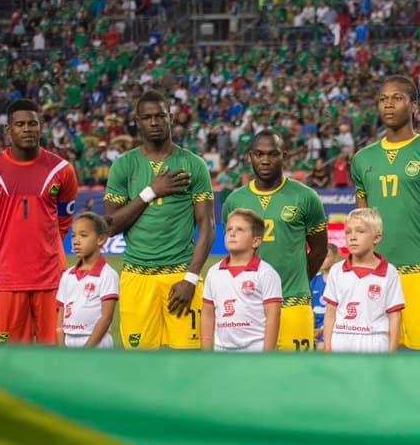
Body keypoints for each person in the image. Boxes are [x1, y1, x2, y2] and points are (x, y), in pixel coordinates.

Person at [351, 75, 420, 349]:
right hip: (376, 275)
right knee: (376, 364)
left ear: (414, 106)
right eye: (383, 99)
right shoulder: (362, 159)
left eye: (397, 98)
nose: (388, 105)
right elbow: (360, 227)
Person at [103, 90, 215, 349]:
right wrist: (151, 191)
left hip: (180, 276)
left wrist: (190, 278)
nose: (154, 122)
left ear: (171, 118)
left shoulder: (193, 164)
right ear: (137, 121)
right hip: (137, 277)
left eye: (160, 116)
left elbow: (207, 227)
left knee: (187, 361)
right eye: (147, 117)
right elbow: (109, 226)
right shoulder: (124, 165)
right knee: (140, 365)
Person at [0, 97, 78, 344]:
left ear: (41, 126)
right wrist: (8, 255)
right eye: (20, 124)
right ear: (9, 129)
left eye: (33, 123)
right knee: (10, 359)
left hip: (51, 280)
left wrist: (43, 250)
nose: (27, 129)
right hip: (8, 280)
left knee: (51, 356)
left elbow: (63, 221)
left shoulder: (62, 170)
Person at [223, 130, 328, 351]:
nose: (265, 160)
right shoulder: (235, 201)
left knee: (297, 377)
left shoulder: (306, 197)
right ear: (250, 156)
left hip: (293, 305)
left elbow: (319, 250)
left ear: (284, 156)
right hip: (247, 306)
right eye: (259, 154)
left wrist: (297, 281)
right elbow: (233, 251)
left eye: (273, 154)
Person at [322, 208, 404, 353]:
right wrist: (328, 349)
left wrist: (392, 352)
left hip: (375, 340)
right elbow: (330, 313)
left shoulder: (389, 272)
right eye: (348, 232)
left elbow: (395, 315)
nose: (352, 237)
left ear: (376, 238)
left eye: (360, 231)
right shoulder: (337, 270)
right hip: (341, 339)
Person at [200, 208, 282, 352]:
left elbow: (273, 316)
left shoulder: (266, 273)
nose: (232, 233)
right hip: (222, 351)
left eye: (240, 230)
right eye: (229, 229)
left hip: (255, 351)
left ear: (256, 241)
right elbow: (207, 312)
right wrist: (206, 349)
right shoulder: (213, 272)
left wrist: (267, 355)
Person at [54, 212, 118, 348]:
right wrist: (61, 347)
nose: (76, 241)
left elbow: (106, 318)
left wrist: (86, 350)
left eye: (83, 235)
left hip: (96, 344)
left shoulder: (107, 274)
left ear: (100, 239)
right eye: (73, 235)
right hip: (69, 341)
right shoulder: (68, 275)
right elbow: (61, 311)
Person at [311, 243, 341, 348]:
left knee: (321, 346)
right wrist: (311, 330)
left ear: (336, 258)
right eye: (321, 256)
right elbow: (310, 309)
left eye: (327, 256)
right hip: (314, 329)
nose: (322, 259)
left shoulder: (341, 282)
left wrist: (322, 329)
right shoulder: (313, 281)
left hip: (333, 328)